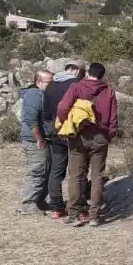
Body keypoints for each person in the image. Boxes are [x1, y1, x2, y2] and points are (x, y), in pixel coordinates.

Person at [55, 62, 118, 228]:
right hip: (100, 137)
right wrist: (108, 135)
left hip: (78, 136)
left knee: (76, 175)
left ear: (88, 72)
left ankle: (74, 215)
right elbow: (113, 119)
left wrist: (65, 124)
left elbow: (62, 107)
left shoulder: (76, 87)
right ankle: (95, 216)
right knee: (97, 176)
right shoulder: (108, 91)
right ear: (102, 75)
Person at [43, 62, 85, 219]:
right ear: (76, 71)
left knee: (56, 170)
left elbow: (46, 112)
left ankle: (56, 207)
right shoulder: (76, 85)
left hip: (55, 132)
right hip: (72, 132)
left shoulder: (51, 86)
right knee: (77, 170)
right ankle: (79, 207)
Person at [19, 70, 54, 215]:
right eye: (49, 82)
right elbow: (30, 118)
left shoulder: (42, 94)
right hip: (34, 140)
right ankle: (28, 204)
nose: (52, 85)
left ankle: (39, 200)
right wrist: (39, 138)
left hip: (41, 139)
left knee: (45, 170)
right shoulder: (34, 95)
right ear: (38, 82)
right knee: (37, 171)